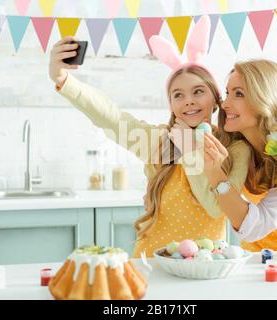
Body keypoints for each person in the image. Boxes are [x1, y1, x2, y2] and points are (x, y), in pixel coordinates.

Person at [48, 16, 251, 257]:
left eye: (198, 91)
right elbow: (111, 117)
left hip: (205, 264)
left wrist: (191, 152)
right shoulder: (160, 141)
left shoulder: (236, 149)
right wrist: (63, 80)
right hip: (152, 261)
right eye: (178, 95)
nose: (188, 100)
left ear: (216, 98)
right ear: (171, 105)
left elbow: (216, 208)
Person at [195, 59, 277, 251]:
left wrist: (215, 173)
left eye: (239, 94)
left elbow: (257, 226)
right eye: (228, 93)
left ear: (266, 98)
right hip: (253, 258)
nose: (225, 104)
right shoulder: (236, 148)